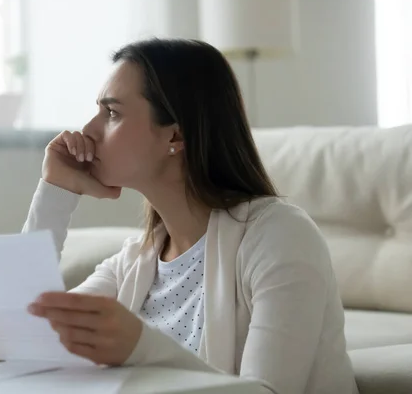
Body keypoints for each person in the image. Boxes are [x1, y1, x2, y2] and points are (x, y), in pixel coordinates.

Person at [25, 38, 358, 394]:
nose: (88, 131)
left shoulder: (279, 236)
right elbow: (21, 332)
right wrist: (55, 191)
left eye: (112, 113)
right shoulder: (135, 263)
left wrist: (142, 347)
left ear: (177, 134)